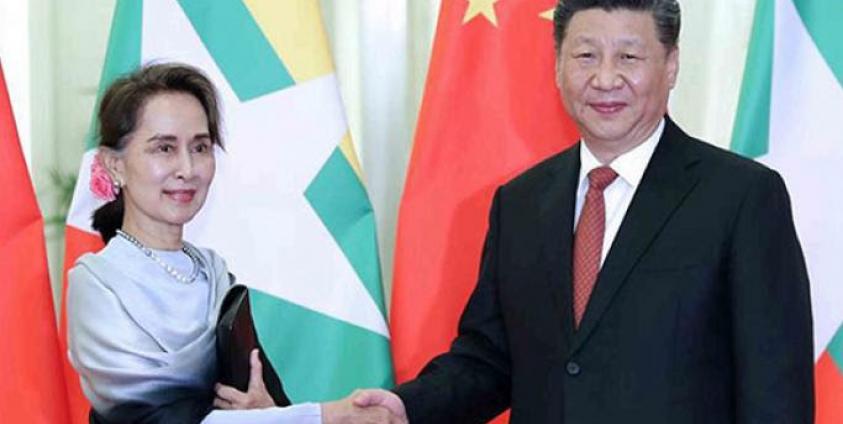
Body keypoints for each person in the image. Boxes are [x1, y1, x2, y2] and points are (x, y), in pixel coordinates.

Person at [352, 0, 815, 422]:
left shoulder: (741, 197)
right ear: (558, 65)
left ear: (671, 65)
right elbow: (489, 360)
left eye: (628, 57)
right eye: (586, 55)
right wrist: (407, 406)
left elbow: (775, 390)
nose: (606, 79)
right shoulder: (520, 203)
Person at [67, 63, 394, 424]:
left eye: (200, 147)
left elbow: (263, 403)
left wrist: (270, 410)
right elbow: (153, 419)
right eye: (164, 148)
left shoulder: (213, 273)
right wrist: (327, 416)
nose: (187, 168)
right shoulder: (98, 283)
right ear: (114, 165)